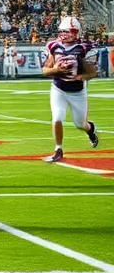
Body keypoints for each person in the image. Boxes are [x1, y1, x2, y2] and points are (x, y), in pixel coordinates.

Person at [41, 16, 99, 163]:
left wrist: (81, 76)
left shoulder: (85, 48)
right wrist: (56, 70)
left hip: (77, 92)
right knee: (57, 118)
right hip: (58, 89)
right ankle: (58, 150)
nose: (66, 34)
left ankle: (90, 130)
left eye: (70, 31)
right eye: (64, 31)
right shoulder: (53, 46)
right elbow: (45, 71)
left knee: (80, 124)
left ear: (77, 32)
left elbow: (92, 72)